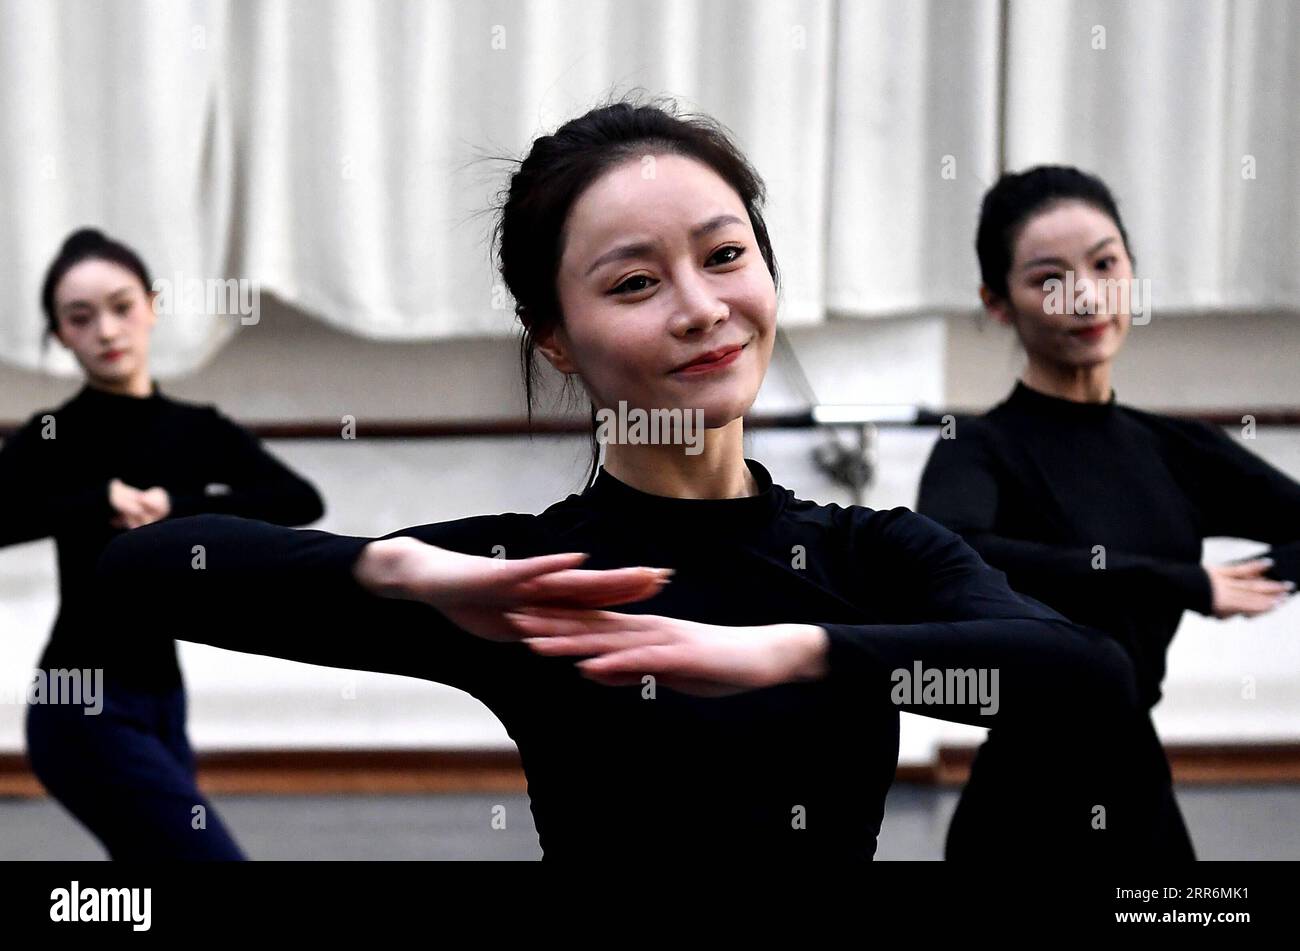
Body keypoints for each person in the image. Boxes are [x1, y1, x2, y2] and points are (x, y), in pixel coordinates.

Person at [100, 103, 1149, 861]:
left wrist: (788, 653)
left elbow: (1085, 684)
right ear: (554, 338)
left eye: (725, 255)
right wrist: (393, 570)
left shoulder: (870, 557)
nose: (699, 308)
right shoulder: (534, 586)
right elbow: (140, 571)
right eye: (635, 283)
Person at [918, 165, 1300, 859]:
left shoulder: (1176, 447)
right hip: (1023, 803)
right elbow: (962, 554)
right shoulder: (975, 448)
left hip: (1138, 791)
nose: (1087, 295)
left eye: (1105, 264)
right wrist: (1184, 581)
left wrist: (1254, 579)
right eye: (1048, 277)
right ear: (997, 301)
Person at [6, 228, 325, 859]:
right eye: (80, 318)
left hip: (161, 696)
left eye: (121, 307)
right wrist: (95, 502)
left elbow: (296, 500)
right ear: (60, 335)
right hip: (78, 696)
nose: (106, 330)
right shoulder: (53, 434)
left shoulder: (195, 429)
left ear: (151, 307)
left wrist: (178, 509)